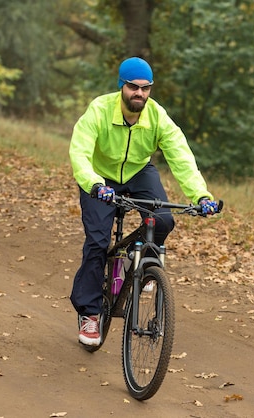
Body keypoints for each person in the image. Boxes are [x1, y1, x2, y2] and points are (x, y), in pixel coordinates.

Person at [68, 56, 219, 346]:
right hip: (100, 177)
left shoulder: (157, 116)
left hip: (138, 172)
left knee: (163, 219)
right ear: (121, 86)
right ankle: (90, 315)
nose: (139, 93)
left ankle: (142, 264)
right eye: (133, 87)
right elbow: (80, 152)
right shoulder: (99, 110)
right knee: (98, 241)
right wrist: (95, 184)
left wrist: (200, 194)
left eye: (145, 88)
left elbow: (180, 155)